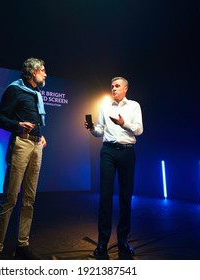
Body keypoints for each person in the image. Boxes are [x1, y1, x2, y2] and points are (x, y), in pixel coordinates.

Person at [0, 58, 47, 260]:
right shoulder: (15, 90)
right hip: (21, 144)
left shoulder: (36, 93)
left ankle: (22, 245)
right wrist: (18, 125)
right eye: (42, 70)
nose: (45, 74)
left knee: (29, 199)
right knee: (11, 198)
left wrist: (40, 135)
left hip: (36, 145)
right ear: (33, 73)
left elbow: (35, 119)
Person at [85, 77, 143, 260]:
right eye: (112, 86)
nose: (114, 89)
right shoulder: (105, 107)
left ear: (126, 88)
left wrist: (122, 123)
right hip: (108, 151)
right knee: (105, 197)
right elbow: (100, 131)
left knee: (126, 197)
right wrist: (92, 128)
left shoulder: (134, 106)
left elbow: (139, 130)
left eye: (117, 86)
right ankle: (103, 242)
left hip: (127, 152)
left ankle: (123, 240)